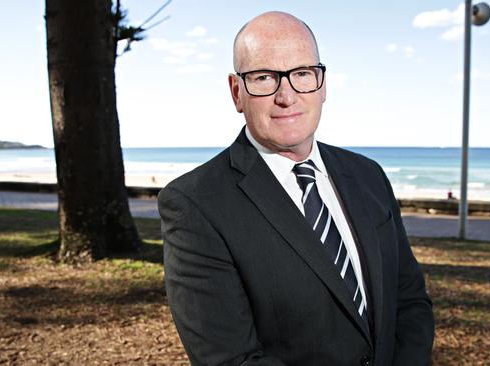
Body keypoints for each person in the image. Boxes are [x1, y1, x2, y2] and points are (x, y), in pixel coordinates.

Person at [159, 11, 434, 366]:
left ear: (322, 85)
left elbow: (409, 300)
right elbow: (230, 359)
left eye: (302, 73)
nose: (286, 96)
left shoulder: (368, 176)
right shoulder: (194, 204)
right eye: (264, 78)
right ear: (236, 92)